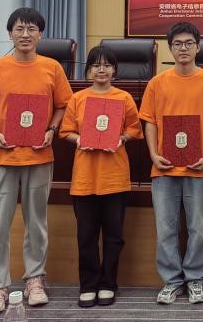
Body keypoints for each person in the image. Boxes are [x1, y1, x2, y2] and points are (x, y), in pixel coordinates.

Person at [0, 7, 72, 315]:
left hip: (39, 156)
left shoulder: (52, 68)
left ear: (40, 34)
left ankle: (35, 280)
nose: (25, 34)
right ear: (10, 33)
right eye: (19, 29)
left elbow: (63, 105)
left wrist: (52, 129)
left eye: (31, 29)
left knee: (36, 224)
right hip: (2, 157)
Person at [139, 21, 203, 305]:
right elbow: (150, 122)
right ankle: (172, 281)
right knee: (166, 229)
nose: (183, 48)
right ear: (170, 48)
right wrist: (153, 154)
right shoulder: (157, 83)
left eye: (189, 43)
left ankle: (195, 279)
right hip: (164, 167)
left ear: (198, 47)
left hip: (202, 168)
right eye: (177, 44)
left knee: (199, 227)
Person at [59, 46, 142, 308]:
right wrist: (80, 139)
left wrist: (121, 138)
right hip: (84, 178)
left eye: (107, 65)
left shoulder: (124, 98)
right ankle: (88, 285)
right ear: (88, 71)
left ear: (114, 70)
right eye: (96, 65)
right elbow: (66, 131)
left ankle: (108, 284)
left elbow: (135, 128)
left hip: (115, 177)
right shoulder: (78, 98)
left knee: (114, 236)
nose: (102, 70)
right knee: (86, 236)